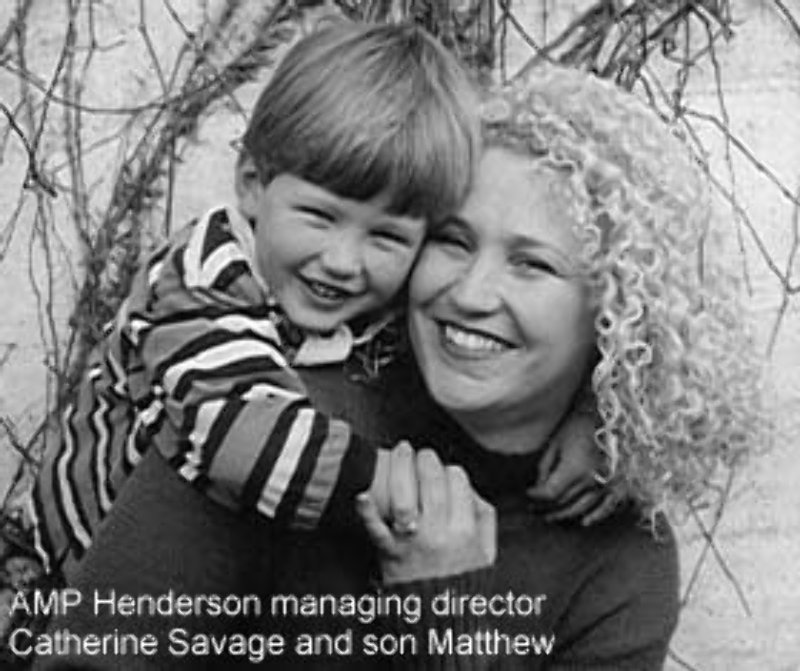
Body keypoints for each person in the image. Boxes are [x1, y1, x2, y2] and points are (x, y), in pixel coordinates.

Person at [356, 64, 768, 669]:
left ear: (617, 315)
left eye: (532, 264)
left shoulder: (619, 567)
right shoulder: (297, 421)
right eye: (453, 240)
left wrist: (440, 612)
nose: (469, 293)